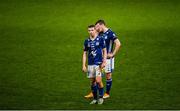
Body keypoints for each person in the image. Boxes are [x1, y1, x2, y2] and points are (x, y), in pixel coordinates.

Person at [84, 20, 121, 99]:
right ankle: (93, 92)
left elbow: (118, 43)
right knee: (95, 76)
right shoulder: (99, 33)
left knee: (108, 74)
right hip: (98, 59)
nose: (96, 28)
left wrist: (113, 54)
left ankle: (107, 93)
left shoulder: (110, 33)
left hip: (108, 59)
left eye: (97, 26)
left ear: (102, 25)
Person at [82, 25, 107, 104]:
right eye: (89, 30)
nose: (91, 32)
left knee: (98, 80)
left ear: (95, 30)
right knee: (92, 82)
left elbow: (104, 51)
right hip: (90, 64)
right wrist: (83, 65)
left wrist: (104, 61)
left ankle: (101, 97)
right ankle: (95, 98)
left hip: (98, 63)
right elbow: (84, 53)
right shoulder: (86, 41)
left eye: (92, 30)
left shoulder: (100, 39)